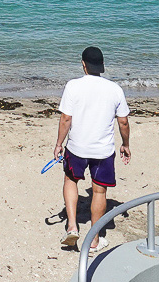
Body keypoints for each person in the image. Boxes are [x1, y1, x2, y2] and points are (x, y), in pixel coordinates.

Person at [52, 46, 132, 252]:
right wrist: (125, 144)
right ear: (102, 66)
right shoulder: (115, 89)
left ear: (83, 64)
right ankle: (95, 238)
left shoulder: (73, 86)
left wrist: (59, 144)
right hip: (103, 151)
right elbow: (123, 122)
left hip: (77, 147)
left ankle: (72, 226)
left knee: (70, 180)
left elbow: (66, 118)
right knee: (99, 190)